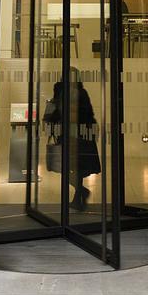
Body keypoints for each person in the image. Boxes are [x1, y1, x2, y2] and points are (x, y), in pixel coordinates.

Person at [41, 71, 101, 212]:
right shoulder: (78, 92)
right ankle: (81, 193)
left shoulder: (68, 92)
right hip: (77, 135)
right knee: (72, 168)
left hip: (73, 135)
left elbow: (56, 112)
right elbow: (88, 114)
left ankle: (78, 197)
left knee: (72, 167)